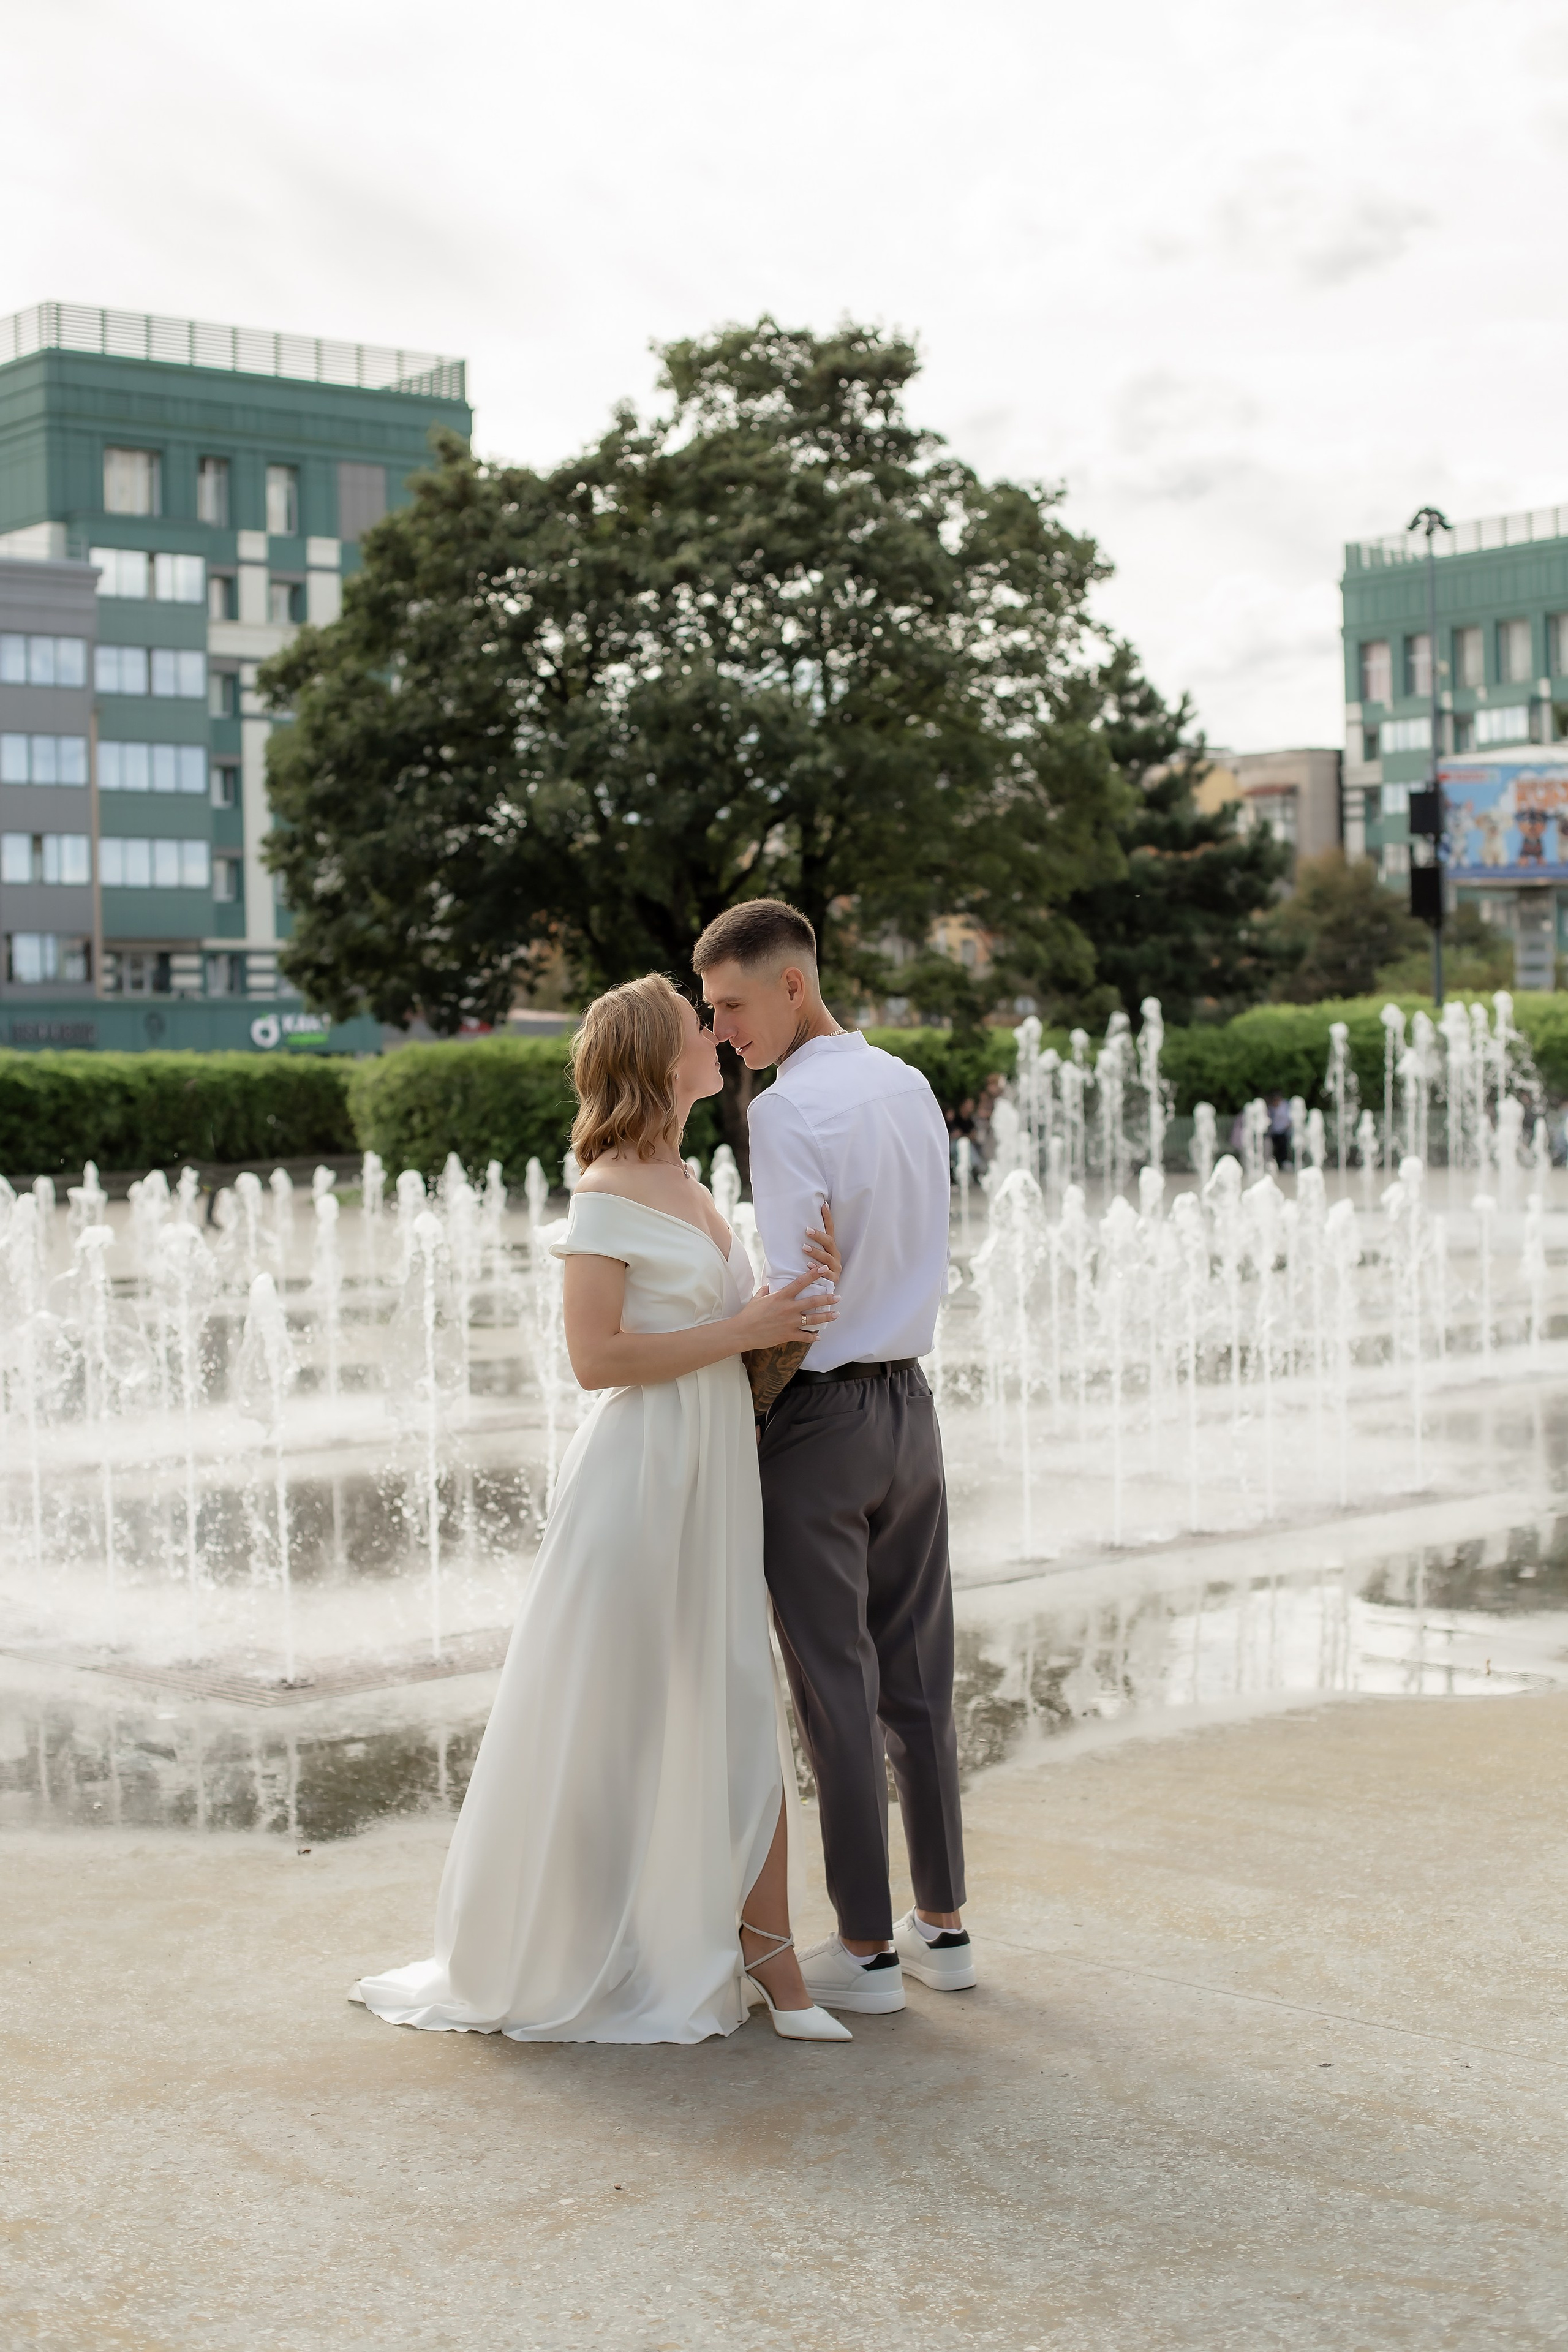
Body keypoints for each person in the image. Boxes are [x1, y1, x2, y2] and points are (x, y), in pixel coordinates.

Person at [352, 974, 851, 2045]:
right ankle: (586, 1940)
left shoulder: (686, 1171)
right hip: (640, 1475)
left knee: (732, 1700)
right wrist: (745, 1327)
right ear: (658, 1061)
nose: (716, 1035)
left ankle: (769, 1958)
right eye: (695, 1027)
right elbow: (595, 1360)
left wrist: (801, 1304)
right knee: (616, 1713)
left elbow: (740, 1319)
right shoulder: (608, 1187)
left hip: (714, 1470)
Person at [695, 900, 975, 2016]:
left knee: (835, 1691)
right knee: (919, 1681)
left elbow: (800, 1299)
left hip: (821, 1423)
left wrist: (746, 1392)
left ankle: (864, 1949)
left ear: (793, 986)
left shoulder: (786, 1107)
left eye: (731, 1006)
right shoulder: (906, 1084)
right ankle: (943, 1928)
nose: (720, 1033)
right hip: (913, 1410)